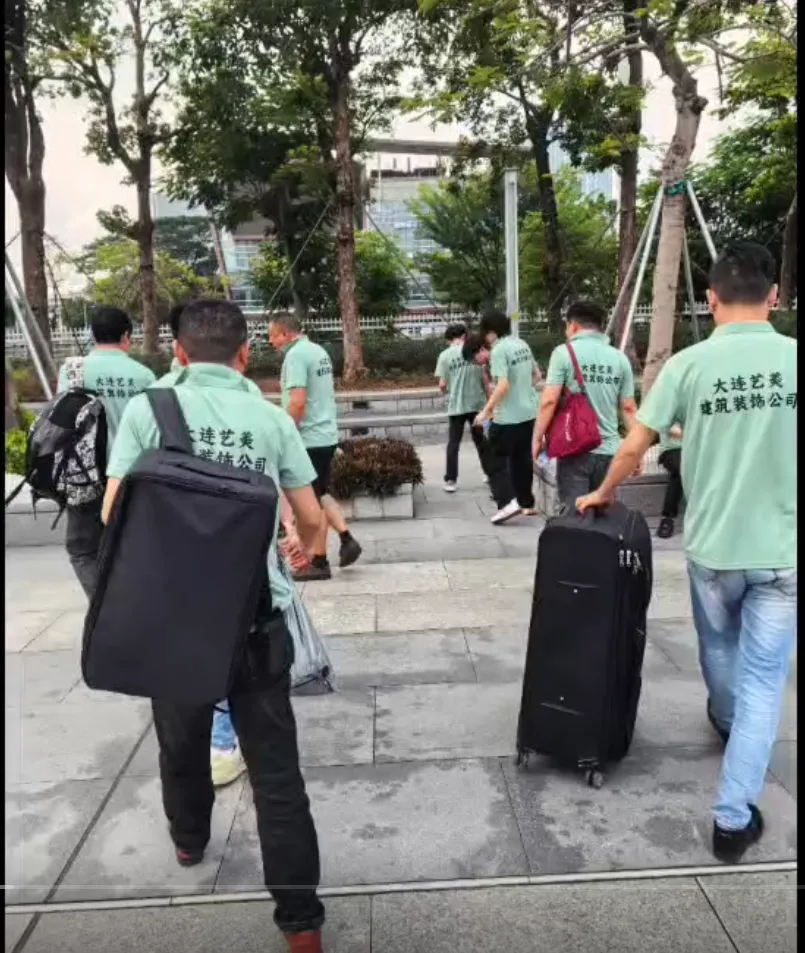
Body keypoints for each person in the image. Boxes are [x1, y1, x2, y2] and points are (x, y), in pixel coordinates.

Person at [102, 298, 327, 952]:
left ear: (178, 352)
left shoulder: (148, 410)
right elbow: (312, 517)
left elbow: (115, 510)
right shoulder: (268, 418)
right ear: (245, 354)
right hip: (256, 619)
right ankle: (301, 924)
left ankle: (188, 839)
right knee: (276, 774)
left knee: (181, 742)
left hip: (174, 618)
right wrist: (303, 551)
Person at [576, 242, 797, 864]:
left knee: (719, 650)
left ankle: (727, 721)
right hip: (785, 553)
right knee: (764, 680)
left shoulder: (687, 365)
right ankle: (732, 819)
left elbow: (634, 445)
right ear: (774, 296)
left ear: (712, 299)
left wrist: (602, 492)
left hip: (713, 550)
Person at [58, 306, 156, 598]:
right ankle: (130, 604)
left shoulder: (72, 371)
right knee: (131, 546)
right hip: (132, 477)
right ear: (127, 336)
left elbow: (61, 420)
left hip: (84, 476)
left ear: (93, 335)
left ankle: (104, 606)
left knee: (83, 550)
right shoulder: (144, 376)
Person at [268, 314, 361, 581]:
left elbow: (298, 402)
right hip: (325, 434)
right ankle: (346, 538)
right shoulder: (318, 351)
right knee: (321, 492)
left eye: (273, 336)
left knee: (311, 500)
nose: (271, 341)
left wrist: (284, 433)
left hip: (307, 437)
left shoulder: (296, 356)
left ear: (286, 334)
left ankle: (319, 561)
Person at [531, 300, 637, 508]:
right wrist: (635, 450)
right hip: (610, 452)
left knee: (575, 514)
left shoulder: (563, 353)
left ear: (573, 325)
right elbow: (629, 408)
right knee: (604, 514)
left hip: (575, 448)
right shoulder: (620, 358)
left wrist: (537, 439)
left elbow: (549, 401)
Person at [474, 309, 539, 524]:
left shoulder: (499, 350)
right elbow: (537, 375)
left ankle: (507, 502)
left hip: (507, 417)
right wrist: (522, 392)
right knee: (522, 459)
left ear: (490, 331)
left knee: (494, 459)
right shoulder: (522, 344)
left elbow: (502, 386)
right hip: (529, 412)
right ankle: (526, 502)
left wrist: (486, 411)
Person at [435, 323, 489, 492]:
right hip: (477, 404)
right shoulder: (474, 351)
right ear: (465, 336)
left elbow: (442, 384)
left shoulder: (444, 356)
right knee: (481, 441)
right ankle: (490, 473)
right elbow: (485, 377)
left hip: (456, 406)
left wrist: (447, 390)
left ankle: (451, 480)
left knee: (454, 443)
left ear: (449, 339)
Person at [657, 424, 684, 538]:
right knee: (680, 469)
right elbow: (669, 428)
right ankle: (667, 518)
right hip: (672, 449)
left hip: (696, 449)